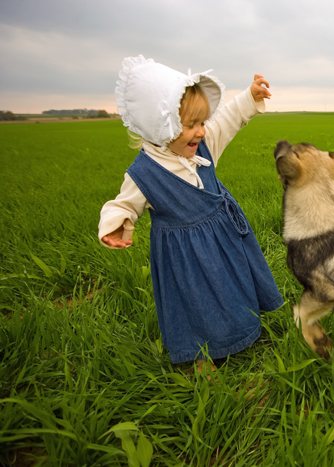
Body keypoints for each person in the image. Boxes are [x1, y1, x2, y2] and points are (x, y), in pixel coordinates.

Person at [99, 55, 283, 373]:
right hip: (184, 257)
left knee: (232, 286)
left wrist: (249, 98)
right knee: (195, 302)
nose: (201, 131)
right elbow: (123, 204)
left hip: (224, 238)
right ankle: (200, 355)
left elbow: (227, 119)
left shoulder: (204, 145)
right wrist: (118, 224)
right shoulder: (145, 172)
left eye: (201, 122)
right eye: (190, 124)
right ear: (161, 124)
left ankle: (242, 330)